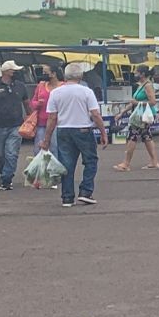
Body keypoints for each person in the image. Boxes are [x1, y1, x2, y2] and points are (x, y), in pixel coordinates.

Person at [40, 62, 109, 208]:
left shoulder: (56, 93)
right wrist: (103, 132)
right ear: (81, 76)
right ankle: (85, 191)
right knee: (90, 161)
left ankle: (67, 197)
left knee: (66, 164)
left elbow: (52, 118)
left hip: (63, 130)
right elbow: (95, 114)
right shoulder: (86, 92)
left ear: (65, 75)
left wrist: (46, 139)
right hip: (83, 129)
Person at [0, 61, 30, 190]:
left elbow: (26, 103)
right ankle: (4, 174)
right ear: (6, 71)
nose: (15, 72)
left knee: (12, 153)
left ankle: (6, 179)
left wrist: (29, 119)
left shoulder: (21, 86)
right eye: (13, 70)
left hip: (16, 126)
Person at [114, 65, 159, 172]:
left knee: (132, 137)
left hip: (142, 115)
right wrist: (122, 112)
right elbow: (133, 102)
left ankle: (126, 163)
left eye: (136, 73)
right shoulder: (141, 85)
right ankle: (154, 162)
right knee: (146, 137)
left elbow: (153, 102)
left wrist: (138, 103)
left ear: (142, 74)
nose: (135, 75)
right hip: (140, 114)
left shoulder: (148, 86)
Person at [31, 64, 60, 150]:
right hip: (42, 123)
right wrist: (38, 104)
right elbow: (32, 102)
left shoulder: (63, 86)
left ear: (53, 74)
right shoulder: (41, 86)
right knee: (39, 149)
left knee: (54, 148)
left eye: (45, 72)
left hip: (57, 123)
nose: (43, 75)